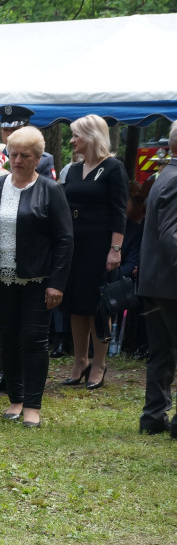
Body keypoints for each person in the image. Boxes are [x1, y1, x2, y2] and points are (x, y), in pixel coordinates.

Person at [0, 126, 73, 428]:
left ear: (38, 158)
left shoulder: (51, 190)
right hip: (0, 277)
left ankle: (33, 405)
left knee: (34, 338)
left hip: (37, 279)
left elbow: (64, 240)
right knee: (7, 339)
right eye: (12, 154)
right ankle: (15, 399)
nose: (16, 160)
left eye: (24, 156)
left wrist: (57, 283)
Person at [62, 114, 128, 390]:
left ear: (91, 137)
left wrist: (115, 249)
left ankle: (99, 363)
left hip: (100, 246)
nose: (72, 140)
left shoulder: (113, 168)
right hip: (75, 245)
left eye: (76, 135)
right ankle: (80, 361)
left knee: (98, 306)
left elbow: (119, 213)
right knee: (76, 305)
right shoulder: (74, 169)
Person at [138, 121, 177, 437]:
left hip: (156, 281)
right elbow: (171, 234)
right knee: (163, 352)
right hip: (170, 283)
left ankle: (153, 418)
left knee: (162, 353)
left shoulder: (165, 175)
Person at [0, 105, 56, 179]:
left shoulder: (42, 160)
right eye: (5, 129)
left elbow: (48, 188)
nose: (9, 133)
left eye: (14, 129)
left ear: (26, 129)